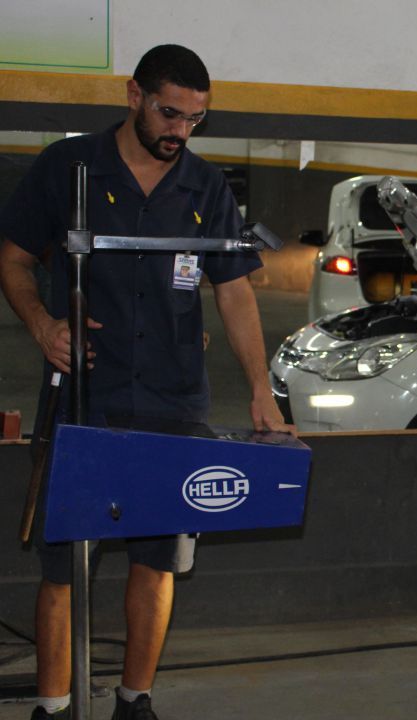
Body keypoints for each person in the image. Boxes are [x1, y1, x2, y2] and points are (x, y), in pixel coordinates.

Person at [0, 45, 290, 720]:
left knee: (156, 559)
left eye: (194, 119)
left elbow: (236, 293)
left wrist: (259, 389)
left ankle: (134, 701)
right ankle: (52, 705)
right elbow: (12, 257)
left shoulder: (206, 189)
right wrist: (44, 324)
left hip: (172, 399)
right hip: (83, 398)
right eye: (169, 113)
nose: (179, 132)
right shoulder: (67, 168)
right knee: (62, 561)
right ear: (133, 96)